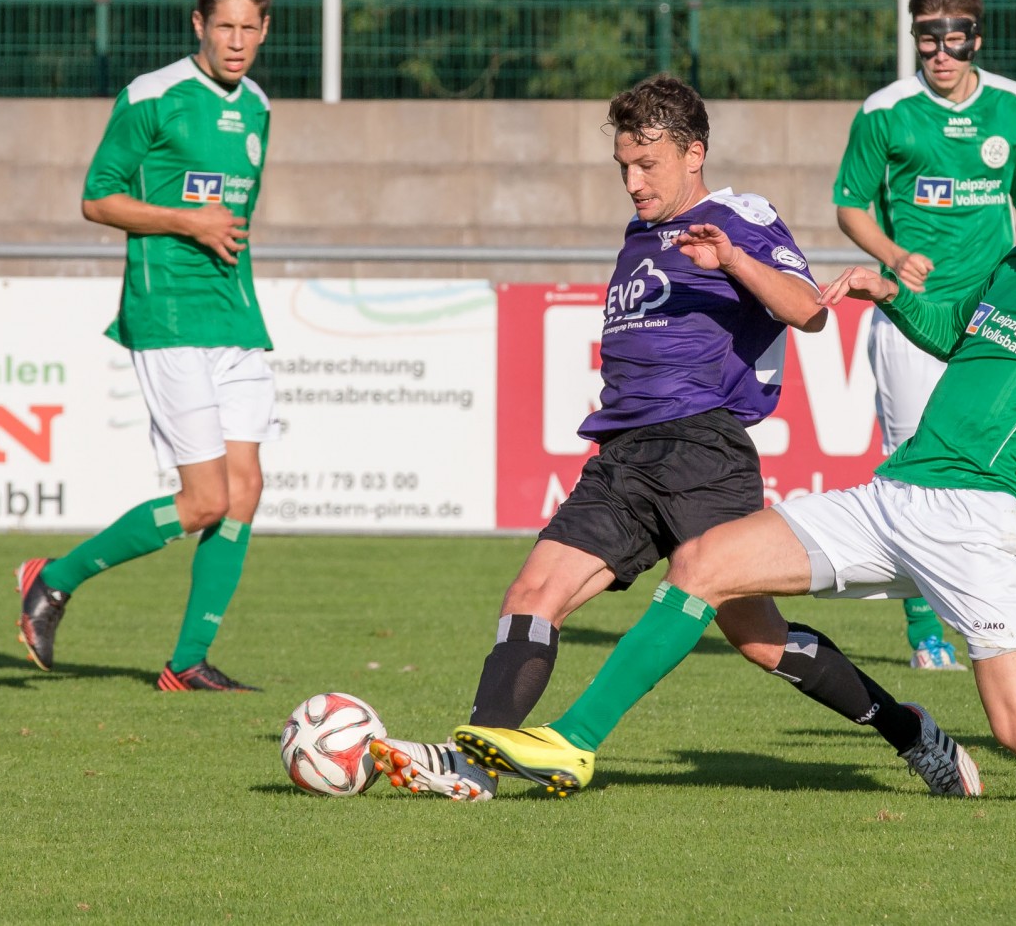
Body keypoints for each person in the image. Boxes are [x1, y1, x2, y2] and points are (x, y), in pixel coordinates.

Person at [452, 121, 1016, 804]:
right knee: (704, 562)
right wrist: (891, 294)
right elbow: (956, 334)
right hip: (893, 493)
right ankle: (574, 741)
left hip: (978, 522)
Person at [367, 74, 981, 801]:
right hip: (622, 456)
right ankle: (474, 765)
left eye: (647, 164)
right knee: (531, 593)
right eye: (624, 166)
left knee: (758, 639)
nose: (632, 181)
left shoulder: (739, 215)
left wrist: (733, 260)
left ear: (695, 154)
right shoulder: (640, 236)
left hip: (702, 451)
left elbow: (809, 312)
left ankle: (910, 732)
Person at [14, 0, 276, 693]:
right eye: (223, 25)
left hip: (236, 315)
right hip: (167, 315)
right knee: (204, 501)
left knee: (246, 488)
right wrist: (186, 221)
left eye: (248, 26)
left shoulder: (257, 105)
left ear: (264, 29)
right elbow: (97, 199)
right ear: (198, 25)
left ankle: (187, 662)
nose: (236, 40)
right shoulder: (152, 96)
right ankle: (53, 577)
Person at [835, 0, 1016, 671]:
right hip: (909, 318)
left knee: (988, 463)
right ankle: (926, 635)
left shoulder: (1013, 106)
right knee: (911, 469)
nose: (941, 52)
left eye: (954, 38)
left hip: (992, 320)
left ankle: (992, 610)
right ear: (915, 36)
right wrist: (895, 255)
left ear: (975, 38)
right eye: (928, 37)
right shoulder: (886, 112)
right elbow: (851, 206)